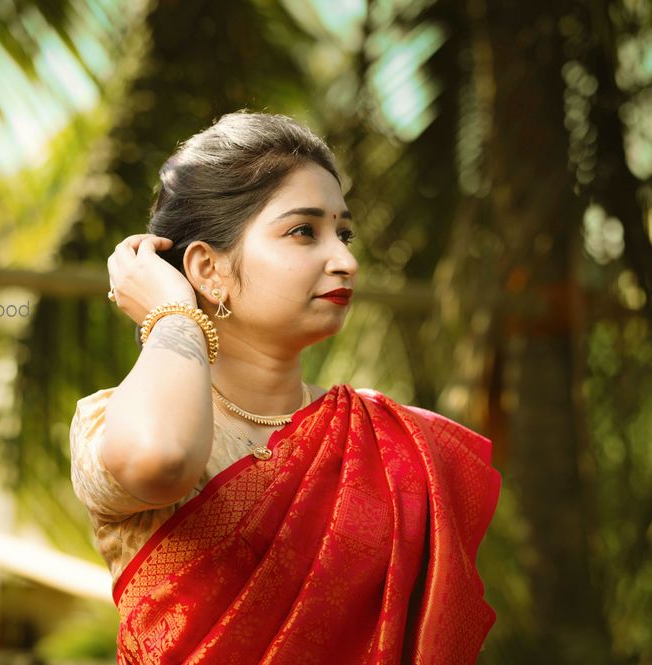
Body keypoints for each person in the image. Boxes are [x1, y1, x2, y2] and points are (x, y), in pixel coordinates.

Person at [69, 110, 502, 664]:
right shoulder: (113, 421)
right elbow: (164, 459)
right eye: (304, 232)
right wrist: (175, 314)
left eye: (344, 233)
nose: (345, 260)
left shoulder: (395, 445)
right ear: (207, 269)